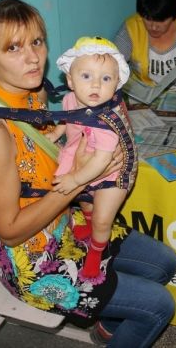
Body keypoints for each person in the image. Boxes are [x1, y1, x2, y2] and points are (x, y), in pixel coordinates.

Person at [0, 0, 176, 347]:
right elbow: (10, 232)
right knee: (159, 306)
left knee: (165, 262)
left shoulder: (33, 93)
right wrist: (81, 178)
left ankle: (107, 329)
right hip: (32, 261)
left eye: (36, 42)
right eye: (13, 48)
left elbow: (50, 155)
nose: (32, 58)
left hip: (66, 223)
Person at [47, 36, 137, 280]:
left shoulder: (107, 120)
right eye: (86, 76)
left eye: (106, 78)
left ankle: (97, 253)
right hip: (82, 159)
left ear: (116, 84)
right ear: (70, 80)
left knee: (102, 219)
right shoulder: (69, 98)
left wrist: (76, 179)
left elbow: (101, 161)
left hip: (112, 171)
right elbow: (67, 117)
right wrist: (57, 132)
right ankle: (88, 222)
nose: (96, 84)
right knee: (86, 202)